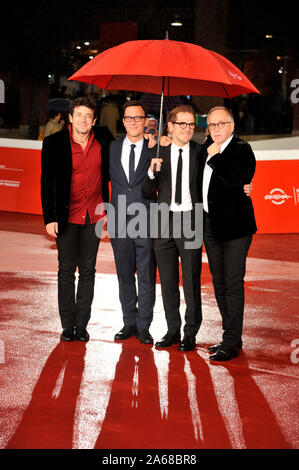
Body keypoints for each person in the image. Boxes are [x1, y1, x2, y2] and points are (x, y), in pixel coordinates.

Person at [41, 96, 113, 342]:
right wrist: (49, 217)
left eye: (88, 116)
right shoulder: (54, 143)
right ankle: (67, 325)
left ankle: (81, 325)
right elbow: (47, 182)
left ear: (94, 120)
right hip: (66, 217)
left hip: (94, 216)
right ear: (71, 117)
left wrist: (155, 139)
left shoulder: (104, 139)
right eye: (79, 114)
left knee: (88, 272)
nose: (84, 119)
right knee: (65, 270)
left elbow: (130, 146)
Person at [142, 105, 203, 352]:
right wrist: (151, 171)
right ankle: (172, 330)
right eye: (182, 124)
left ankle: (190, 332)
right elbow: (147, 192)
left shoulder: (200, 152)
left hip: (191, 220)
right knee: (167, 281)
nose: (187, 129)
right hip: (163, 223)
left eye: (191, 124)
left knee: (191, 280)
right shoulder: (158, 151)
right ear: (170, 126)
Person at [201, 106, 257, 361]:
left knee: (232, 283)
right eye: (212, 125)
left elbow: (236, 179)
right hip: (210, 226)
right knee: (220, 282)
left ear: (232, 126)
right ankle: (230, 336)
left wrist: (215, 157)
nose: (216, 129)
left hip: (236, 228)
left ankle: (231, 342)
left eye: (221, 124)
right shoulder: (206, 148)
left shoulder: (241, 149)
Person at [108, 100, 156, 345]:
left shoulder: (155, 149)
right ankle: (128, 322)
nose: (134, 122)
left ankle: (144, 325)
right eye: (129, 118)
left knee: (146, 275)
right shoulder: (112, 148)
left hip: (147, 218)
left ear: (145, 121)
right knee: (124, 274)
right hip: (118, 220)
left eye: (138, 118)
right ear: (123, 121)